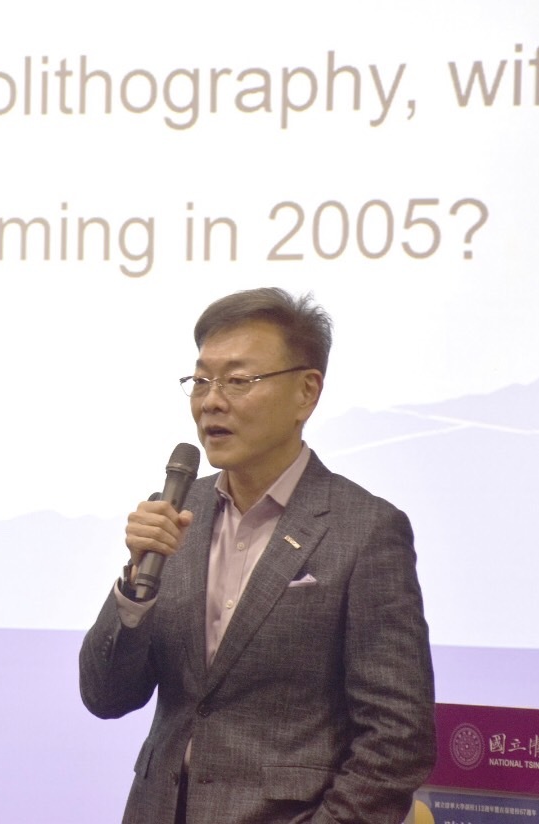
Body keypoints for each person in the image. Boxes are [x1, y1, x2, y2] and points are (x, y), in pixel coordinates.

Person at [79, 287, 436, 824]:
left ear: (306, 392)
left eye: (238, 380)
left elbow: (397, 737)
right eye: (201, 381)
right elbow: (106, 695)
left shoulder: (364, 530)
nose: (211, 401)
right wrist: (135, 584)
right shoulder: (176, 514)